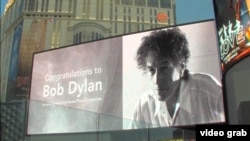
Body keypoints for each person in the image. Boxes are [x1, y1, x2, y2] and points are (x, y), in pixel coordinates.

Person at [130, 27, 225, 129]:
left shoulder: (211, 92)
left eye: (164, 69)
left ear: (181, 67)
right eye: (152, 70)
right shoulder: (144, 105)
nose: (157, 80)